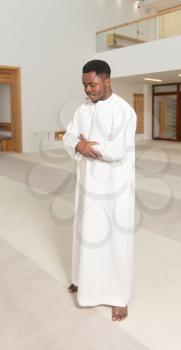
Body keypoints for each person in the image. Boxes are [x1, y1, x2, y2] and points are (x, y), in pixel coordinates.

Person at [63, 59, 136, 321]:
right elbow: (69, 136)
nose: (88, 90)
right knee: (85, 233)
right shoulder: (82, 109)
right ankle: (81, 279)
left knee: (114, 240)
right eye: (84, 85)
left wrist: (86, 146)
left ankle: (119, 297)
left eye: (92, 84)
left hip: (113, 188)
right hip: (87, 184)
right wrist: (77, 145)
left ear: (107, 81)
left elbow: (117, 150)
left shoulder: (123, 111)